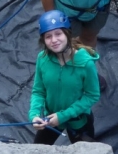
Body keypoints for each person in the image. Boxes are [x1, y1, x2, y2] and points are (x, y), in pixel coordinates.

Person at [30, 10, 100, 145]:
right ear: (43, 40)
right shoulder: (43, 59)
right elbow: (38, 91)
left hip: (78, 121)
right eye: (48, 36)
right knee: (37, 151)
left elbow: (92, 95)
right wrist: (34, 115)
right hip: (50, 119)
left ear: (67, 33)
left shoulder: (86, 63)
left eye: (58, 34)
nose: (54, 40)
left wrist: (63, 116)